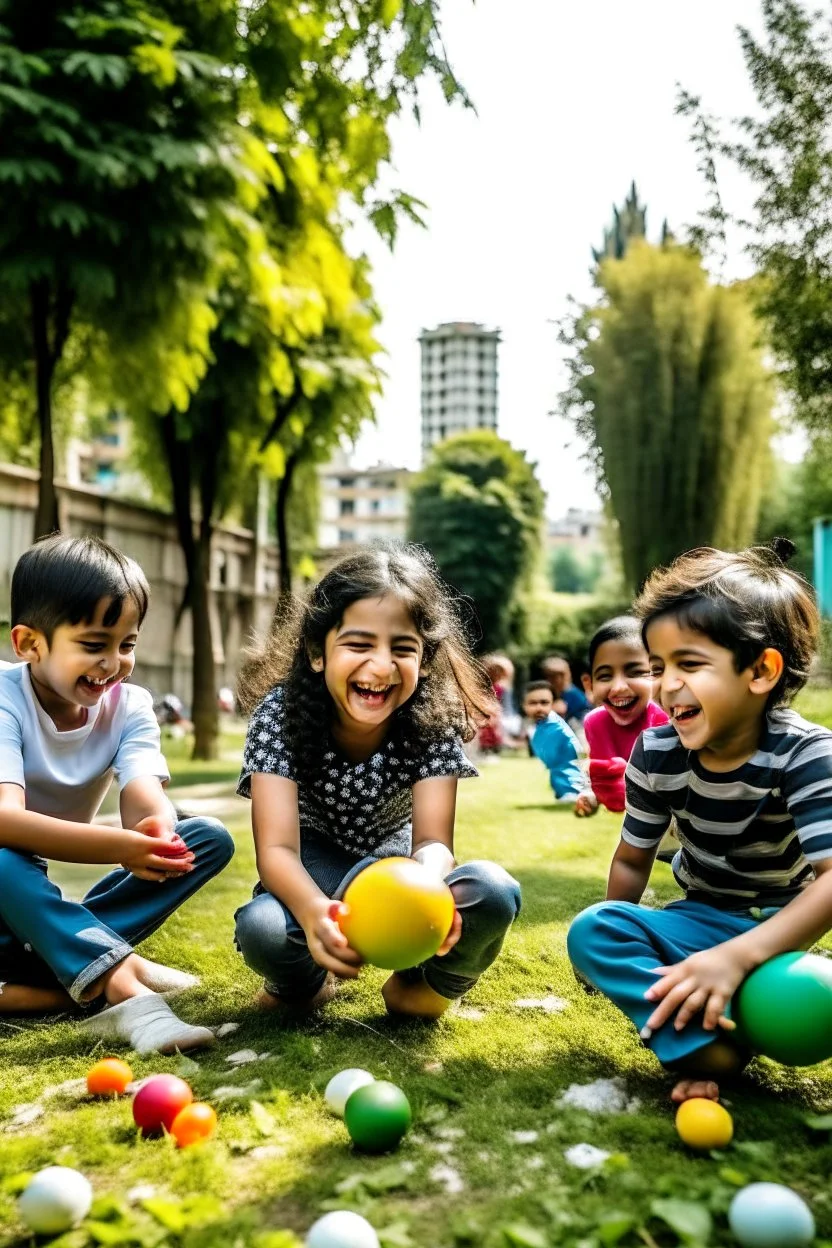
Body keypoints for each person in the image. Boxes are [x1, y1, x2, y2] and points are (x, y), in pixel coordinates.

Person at [567, 540, 832, 1106]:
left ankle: (726, 1008)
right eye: (658, 667)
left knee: (817, 999)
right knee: (595, 928)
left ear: (761, 671)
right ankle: (706, 1044)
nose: (665, 686)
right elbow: (634, 857)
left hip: (781, 934)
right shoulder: (656, 752)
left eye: (689, 664)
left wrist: (736, 959)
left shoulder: (806, 756)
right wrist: (624, 931)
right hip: (698, 921)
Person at [233, 544, 521, 1019]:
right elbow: (277, 852)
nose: (382, 665)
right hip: (311, 865)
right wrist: (311, 912)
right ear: (316, 652)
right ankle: (302, 986)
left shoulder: (433, 718)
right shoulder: (279, 715)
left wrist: (421, 893)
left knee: (492, 891)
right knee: (264, 929)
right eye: (359, 644)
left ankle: (421, 987)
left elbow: (432, 841)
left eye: (402, 648)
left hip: (396, 859)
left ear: (425, 660)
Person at [0, 534, 235, 1053]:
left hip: (27, 909)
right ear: (28, 644)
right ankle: (127, 987)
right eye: (93, 644)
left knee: (207, 839)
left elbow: (143, 792)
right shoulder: (3, 697)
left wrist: (155, 832)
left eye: (126, 644)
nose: (113, 662)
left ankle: (68, 970)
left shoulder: (129, 705)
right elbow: (4, 821)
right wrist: (119, 848)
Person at [575, 616, 668, 817]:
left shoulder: (667, 718)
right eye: (605, 676)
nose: (618, 688)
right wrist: (593, 795)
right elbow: (612, 789)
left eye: (635, 672)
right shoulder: (596, 722)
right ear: (589, 684)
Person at [522, 680, 589, 806]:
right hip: (560, 766)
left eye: (544, 703)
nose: (539, 707)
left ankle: (572, 793)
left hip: (567, 767)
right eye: (533, 703)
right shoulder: (542, 724)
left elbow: (550, 754)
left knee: (564, 772)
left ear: (553, 704)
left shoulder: (553, 725)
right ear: (524, 705)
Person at [541, 654, 591, 726]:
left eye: (553, 676)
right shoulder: (554, 693)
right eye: (547, 676)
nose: (548, 680)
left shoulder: (573, 694)